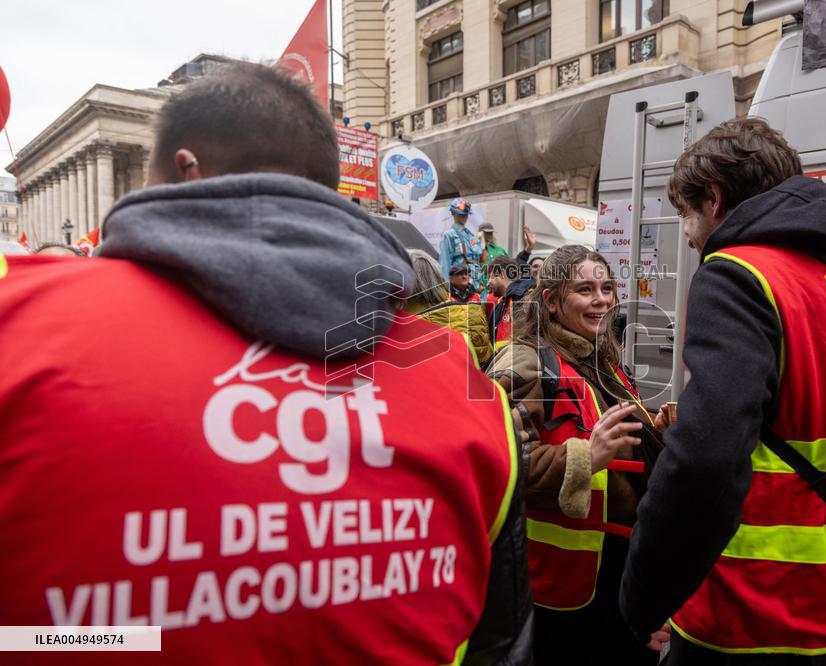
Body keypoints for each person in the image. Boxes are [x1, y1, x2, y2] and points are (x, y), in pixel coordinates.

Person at [0, 63, 531, 665]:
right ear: (328, 191)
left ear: (184, 170)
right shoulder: (460, 381)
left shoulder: (20, 325)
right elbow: (502, 644)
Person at [620, 118, 826, 663]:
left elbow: (704, 461)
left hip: (768, 614)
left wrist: (641, 601)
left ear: (715, 200)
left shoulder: (738, 274)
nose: (690, 235)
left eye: (685, 216)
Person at [487, 245, 664, 665]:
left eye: (606, 287)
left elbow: (603, 424)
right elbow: (501, 460)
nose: (601, 299)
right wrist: (587, 456)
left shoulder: (602, 357)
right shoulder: (524, 360)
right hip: (561, 589)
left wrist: (653, 429)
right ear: (551, 300)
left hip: (618, 572)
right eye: (584, 289)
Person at [406, 249, 492, 365]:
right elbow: (488, 366)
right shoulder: (473, 313)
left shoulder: (390, 325)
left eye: (466, 274)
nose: (465, 277)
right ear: (439, 276)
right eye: (460, 274)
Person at [485, 255, 534, 355]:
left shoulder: (525, 298)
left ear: (502, 273)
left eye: (491, 276)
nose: (488, 283)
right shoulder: (500, 305)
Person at [438, 197, 483, 290]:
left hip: (476, 287)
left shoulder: (472, 237)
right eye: (461, 214)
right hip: (459, 288)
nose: (464, 217)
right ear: (453, 214)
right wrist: (447, 290)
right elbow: (444, 265)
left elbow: (479, 263)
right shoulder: (449, 235)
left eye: (466, 214)